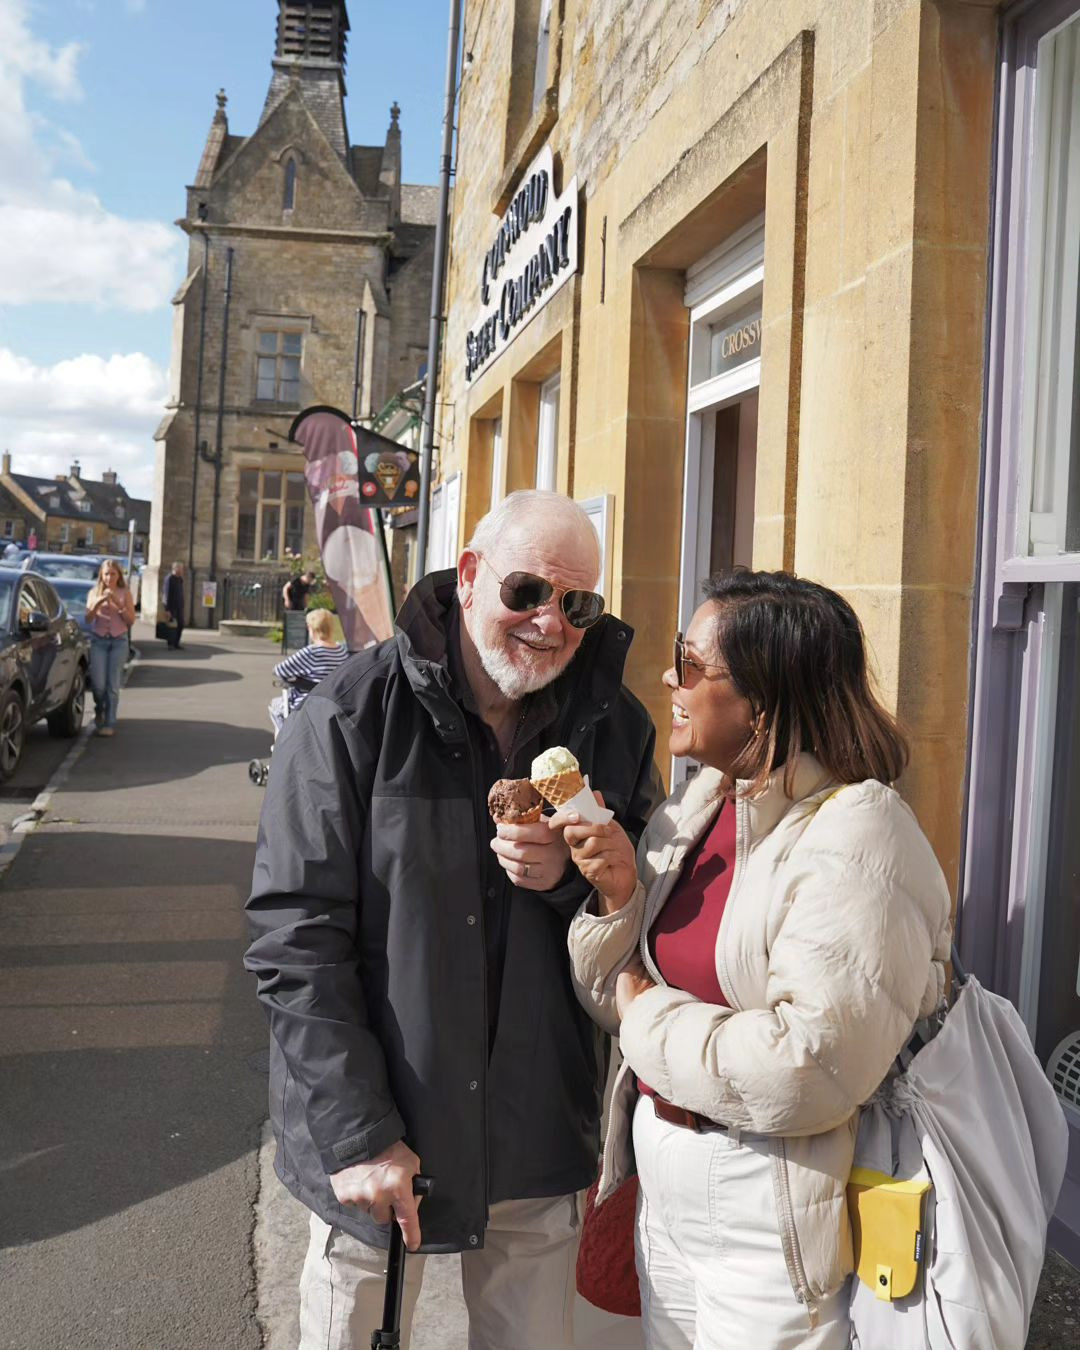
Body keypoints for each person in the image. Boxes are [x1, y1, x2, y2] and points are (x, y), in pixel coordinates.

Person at [246, 490, 662, 1350]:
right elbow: (296, 939)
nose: (551, 624)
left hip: (537, 1133)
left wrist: (571, 882)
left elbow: (637, 919)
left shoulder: (613, 727)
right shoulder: (352, 715)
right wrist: (359, 1134)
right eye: (527, 592)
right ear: (469, 576)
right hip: (383, 1138)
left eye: (578, 605)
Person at [561, 570, 953, 1350]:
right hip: (661, 1185)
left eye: (692, 664)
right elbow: (609, 995)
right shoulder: (694, 807)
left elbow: (809, 1070)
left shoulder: (860, 835)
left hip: (768, 1204)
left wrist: (646, 1013)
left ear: (762, 702)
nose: (669, 679)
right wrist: (618, 899)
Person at [268, 607, 349, 734]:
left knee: (275, 706)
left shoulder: (311, 652)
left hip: (307, 702)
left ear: (312, 629)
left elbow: (279, 670)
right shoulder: (341, 652)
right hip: (333, 703)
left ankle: (282, 743)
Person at [85, 559, 136, 737]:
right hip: (99, 641)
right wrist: (98, 602)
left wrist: (118, 604)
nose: (109, 577)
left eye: (113, 574)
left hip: (118, 642)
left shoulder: (125, 593)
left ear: (118, 575)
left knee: (113, 685)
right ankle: (99, 708)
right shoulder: (93, 592)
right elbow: (88, 619)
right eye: (106, 574)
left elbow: (131, 620)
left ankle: (109, 722)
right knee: (98, 685)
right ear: (101, 575)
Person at [163, 561, 185, 650]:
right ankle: (170, 644)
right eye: (181, 569)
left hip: (179, 606)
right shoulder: (169, 579)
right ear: (175, 568)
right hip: (171, 607)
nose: (182, 571)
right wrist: (167, 609)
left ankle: (176, 643)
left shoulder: (180, 579)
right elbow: (166, 594)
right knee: (171, 626)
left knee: (181, 624)